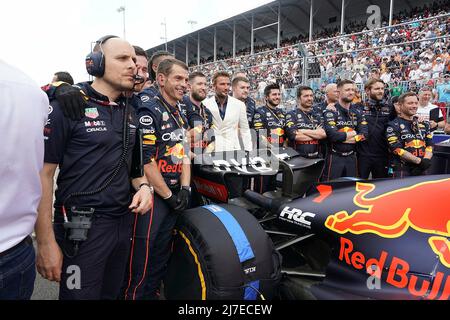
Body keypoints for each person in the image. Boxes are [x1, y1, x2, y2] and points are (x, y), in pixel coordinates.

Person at [35, 36, 153, 300]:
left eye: (134, 59)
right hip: (81, 228)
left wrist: (144, 188)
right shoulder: (68, 105)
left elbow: (136, 171)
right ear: (96, 64)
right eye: (122, 58)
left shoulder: (130, 111)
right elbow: (43, 175)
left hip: (123, 224)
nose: (132, 65)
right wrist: (45, 243)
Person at [124, 58, 191, 300]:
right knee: (142, 255)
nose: (184, 84)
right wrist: (169, 195)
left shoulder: (179, 109)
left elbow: (183, 150)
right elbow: (146, 160)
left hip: (173, 194)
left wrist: (185, 187)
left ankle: (151, 294)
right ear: (161, 79)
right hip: (153, 196)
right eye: (178, 79)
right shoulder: (149, 107)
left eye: (186, 79)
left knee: (162, 252)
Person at [0, 60, 49, 300]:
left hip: (13, 252)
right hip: (14, 249)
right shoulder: (30, 88)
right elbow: (44, 171)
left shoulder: (32, 91)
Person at [323, 80, 368, 180]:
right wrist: (354, 133)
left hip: (352, 158)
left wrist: (344, 137)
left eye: (353, 90)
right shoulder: (330, 110)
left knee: (351, 190)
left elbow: (364, 135)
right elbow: (333, 136)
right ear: (338, 92)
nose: (351, 92)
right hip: (334, 157)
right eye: (347, 90)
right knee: (332, 190)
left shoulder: (358, 112)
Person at [386, 92, 433, 178]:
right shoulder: (393, 125)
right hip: (402, 169)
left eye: (416, 103)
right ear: (401, 105)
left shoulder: (424, 123)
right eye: (410, 103)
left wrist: (425, 161)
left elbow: (430, 145)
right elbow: (396, 149)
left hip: (423, 168)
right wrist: (419, 162)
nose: (414, 106)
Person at [203, 71, 253, 152]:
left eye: (228, 84)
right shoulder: (205, 104)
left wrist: (248, 151)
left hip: (233, 150)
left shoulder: (239, 105)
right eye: (222, 84)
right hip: (212, 151)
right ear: (214, 86)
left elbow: (245, 130)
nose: (226, 87)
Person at [251, 83, 287, 193]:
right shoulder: (259, 112)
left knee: (274, 187)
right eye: (274, 94)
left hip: (279, 156)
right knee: (262, 188)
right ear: (266, 97)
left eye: (279, 94)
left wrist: (284, 148)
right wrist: (273, 149)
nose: (277, 97)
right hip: (264, 157)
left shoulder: (282, 112)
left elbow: (286, 134)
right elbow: (259, 134)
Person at [357, 79, 395, 179]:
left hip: (382, 155)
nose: (381, 91)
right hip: (362, 155)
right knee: (359, 186)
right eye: (377, 88)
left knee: (380, 188)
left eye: (382, 88)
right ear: (367, 91)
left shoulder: (390, 108)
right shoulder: (358, 107)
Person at [285, 86, 326, 159]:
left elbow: (323, 134)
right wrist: (316, 133)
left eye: (311, 96)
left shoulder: (318, 115)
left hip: (318, 159)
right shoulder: (291, 114)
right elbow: (296, 136)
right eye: (306, 96)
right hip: (298, 160)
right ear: (298, 99)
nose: (309, 98)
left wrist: (303, 131)